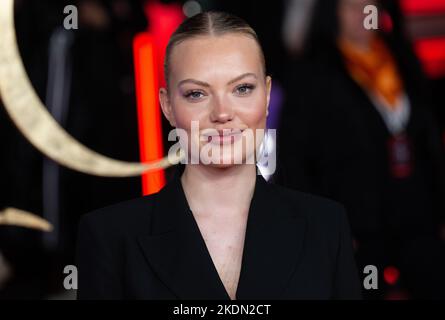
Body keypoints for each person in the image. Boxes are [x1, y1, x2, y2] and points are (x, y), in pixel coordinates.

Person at [76, 11, 361, 300]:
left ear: (266, 96)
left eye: (242, 88)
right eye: (197, 94)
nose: (222, 114)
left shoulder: (326, 227)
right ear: (167, 106)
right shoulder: (110, 239)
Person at [277, 0, 445, 299]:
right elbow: (296, 159)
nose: (363, 14)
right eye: (351, 6)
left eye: (370, 5)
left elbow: (429, 141)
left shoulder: (401, 59)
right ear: (332, 13)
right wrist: (323, 228)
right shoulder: (313, 74)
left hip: (418, 217)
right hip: (359, 227)